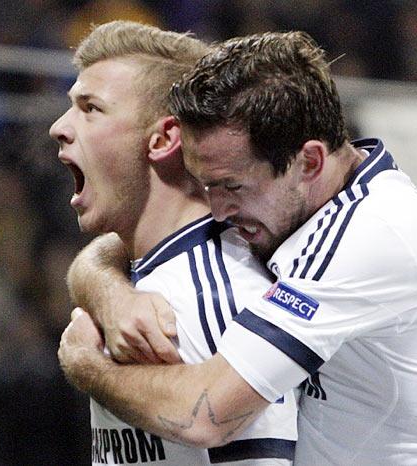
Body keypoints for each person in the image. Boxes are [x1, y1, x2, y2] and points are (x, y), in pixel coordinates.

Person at [58, 31, 417, 465]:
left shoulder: (364, 238)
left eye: (231, 186)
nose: (219, 211)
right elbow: (130, 243)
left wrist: (86, 364)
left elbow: (205, 415)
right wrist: (108, 289)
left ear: (311, 162)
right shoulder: (323, 200)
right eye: (207, 186)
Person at [49, 21, 297, 465]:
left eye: (91, 109)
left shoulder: (219, 298)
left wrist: (88, 364)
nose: (59, 127)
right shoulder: (139, 276)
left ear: (163, 140)